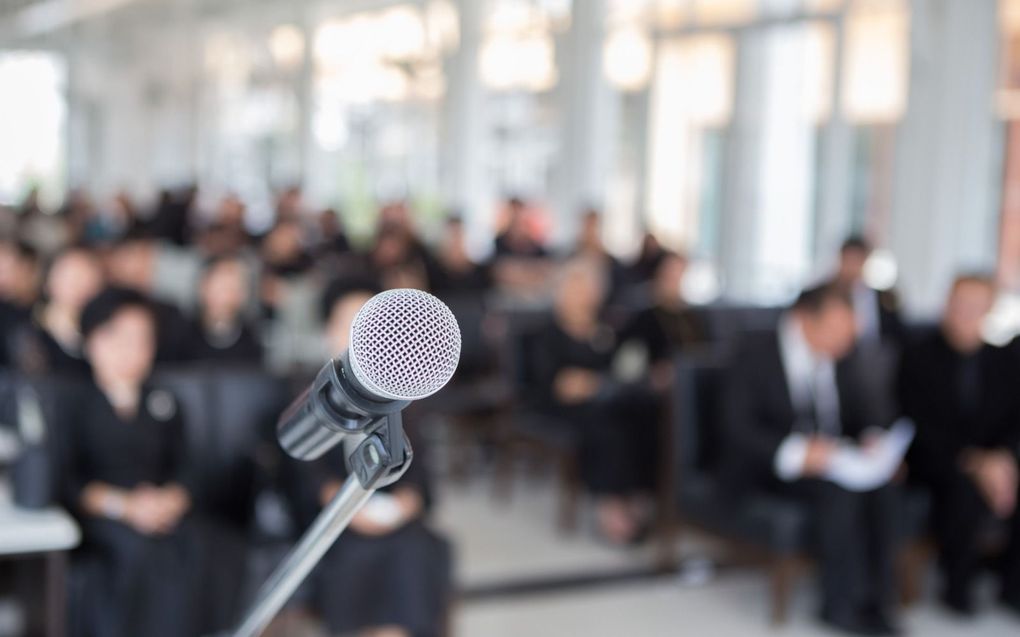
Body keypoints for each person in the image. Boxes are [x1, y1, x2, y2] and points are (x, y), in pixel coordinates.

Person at [722, 284, 900, 635]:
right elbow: (736, 428)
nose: (843, 345)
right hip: (768, 465)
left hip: (830, 461)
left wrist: (871, 437)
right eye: (836, 334)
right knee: (839, 492)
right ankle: (838, 605)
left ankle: (876, 602)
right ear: (804, 320)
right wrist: (798, 453)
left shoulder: (841, 353)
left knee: (883, 487)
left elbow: (861, 410)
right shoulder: (754, 350)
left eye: (849, 336)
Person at [296, 278, 450, 637]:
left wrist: (409, 500)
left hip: (395, 518)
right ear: (327, 332)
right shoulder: (307, 391)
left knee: (416, 549)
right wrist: (341, 504)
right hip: (335, 519)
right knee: (355, 555)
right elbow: (303, 471)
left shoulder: (403, 395)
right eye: (347, 325)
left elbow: (420, 472)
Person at [59, 287, 204, 637]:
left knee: (198, 545)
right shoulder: (73, 403)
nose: (132, 350)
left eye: (143, 339)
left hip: (161, 509)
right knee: (137, 553)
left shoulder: (165, 400)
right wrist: (125, 507)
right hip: (104, 515)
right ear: (92, 341)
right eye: (119, 338)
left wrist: (172, 499)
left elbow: (188, 466)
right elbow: (68, 481)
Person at [898, 274, 1020, 616]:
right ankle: (958, 587)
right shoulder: (918, 355)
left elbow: (1014, 421)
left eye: (975, 306)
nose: (965, 313)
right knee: (964, 488)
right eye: (959, 304)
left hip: (995, 459)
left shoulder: (1006, 361)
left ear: (989, 310)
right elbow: (917, 424)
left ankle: (1012, 587)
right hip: (937, 459)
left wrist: (1005, 459)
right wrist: (977, 463)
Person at [533, 258, 661, 544]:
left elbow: (621, 369)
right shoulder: (548, 334)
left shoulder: (606, 330)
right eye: (576, 287)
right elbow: (561, 385)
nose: (583, 294)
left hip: (608, 400)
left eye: (588, 288)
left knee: (644, 413)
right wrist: (593, 384)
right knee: (605, 425)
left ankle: (638, 493)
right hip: (564, 408)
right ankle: (610, 504)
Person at [621, 251, 708, 391]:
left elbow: (703, 353)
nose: (675, 282)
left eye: (679, 275)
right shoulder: (645, 318)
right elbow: (629, 364)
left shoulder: (693, 317)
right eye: (670, 276)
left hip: (692, 381)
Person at [15, 246, 105, 378]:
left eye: (88, 277)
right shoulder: (29, 333)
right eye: (70, 277)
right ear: (48, 281)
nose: (79, 285)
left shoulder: (106, 332)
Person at [183, 255, 263, 364]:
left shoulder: (255, 340)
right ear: (202, 288)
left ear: (244, 295)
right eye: (217, 287)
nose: (222, 297)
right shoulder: (180, 338)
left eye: (230, 288)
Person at [832, 236, 904, 346]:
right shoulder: (826, 298)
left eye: (857, 261)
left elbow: (897, 334)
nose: (852, 268)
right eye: (848, 261)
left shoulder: (886, 298)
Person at [430, 215, 491, 296]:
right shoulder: (432, 273)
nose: (455, 242)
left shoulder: (482, 273)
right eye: (451, 237)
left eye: (458, 235)